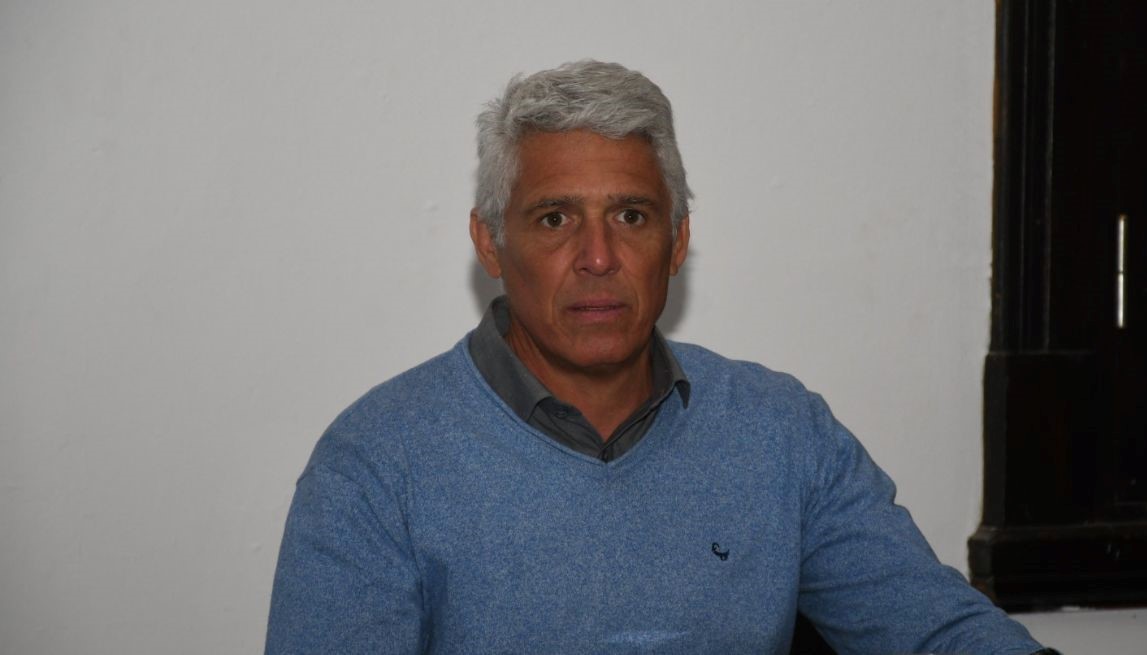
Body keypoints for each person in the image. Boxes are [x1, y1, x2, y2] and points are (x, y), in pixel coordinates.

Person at [266, 60, 1052, 655]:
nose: (598, 257)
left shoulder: (780, 432)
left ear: (676, 242)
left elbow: (936, 629)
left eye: (632, 216)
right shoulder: (375, 464)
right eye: (554, 218)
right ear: (491, 242)